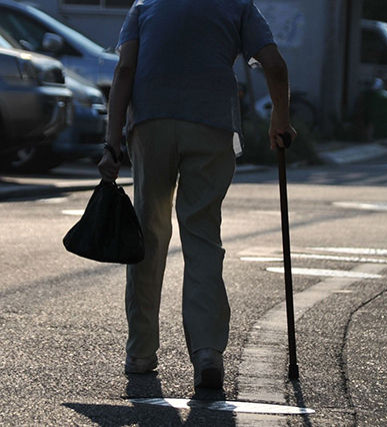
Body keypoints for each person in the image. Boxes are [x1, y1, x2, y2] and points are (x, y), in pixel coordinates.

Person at [98, 0, 296, 390]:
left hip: (151, 123)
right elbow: (274, 64)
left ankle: (140, 350)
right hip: (211, 123)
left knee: (147, 234)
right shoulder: (237, 6)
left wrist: (112, 144)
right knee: (202, 234)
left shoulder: (145, 6)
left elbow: (124, 70)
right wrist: (281, 118)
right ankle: (207, 353)